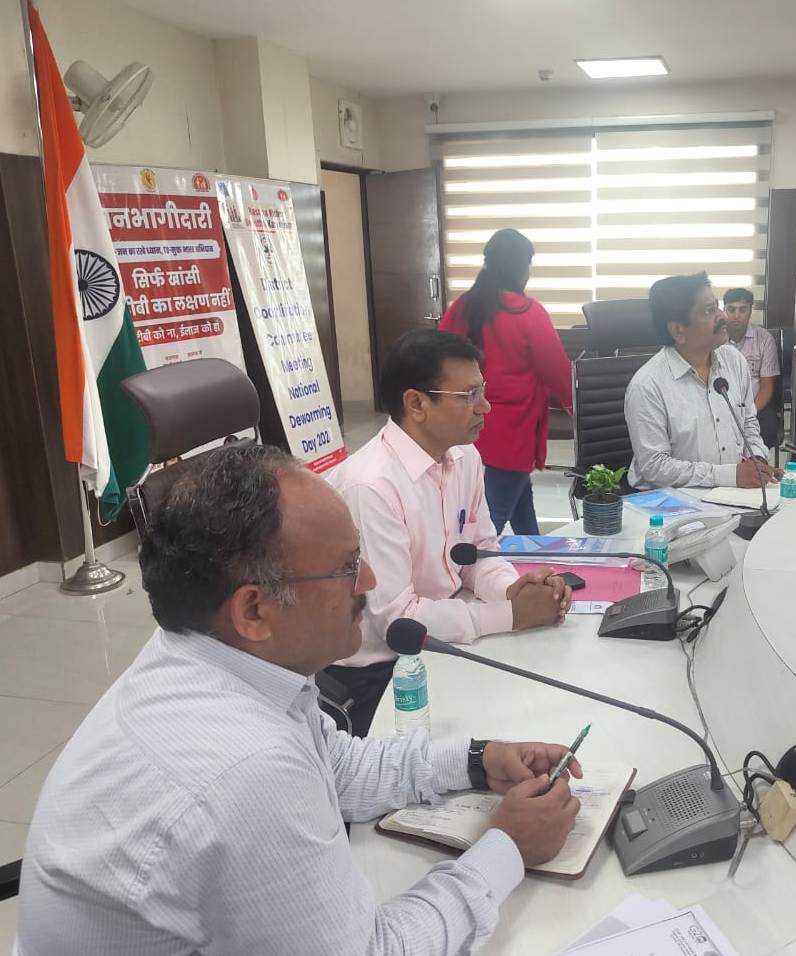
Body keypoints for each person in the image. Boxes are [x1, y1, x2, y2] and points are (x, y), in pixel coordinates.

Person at [15, 444, 582, 956]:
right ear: (254, 610)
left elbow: (335, 764)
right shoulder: (246, 768)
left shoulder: (211, 654)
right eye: (346, 568)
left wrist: (477, 760)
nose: (368, 582)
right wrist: (508, 848)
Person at [324, 329, 571, 736]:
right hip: (382, 674)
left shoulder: (465, 457)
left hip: (447, 635)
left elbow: (479, 551)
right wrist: (511, 615)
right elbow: (397, 620)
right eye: (469, 395)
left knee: (536, 713)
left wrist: (512, 591)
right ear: (416, 403)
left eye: (482, 390)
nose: (485, 407)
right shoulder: (371, 487)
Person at [440, 228, 573, 535]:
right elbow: (557, 371)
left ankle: (537, 553)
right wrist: (578, 407)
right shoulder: (527, 312)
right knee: (490, 521)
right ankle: (466, 566)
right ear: (520, 268)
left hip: (468, 425)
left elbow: (437, 358)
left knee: (521, 503)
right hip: (513, 432)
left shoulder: (464, 306)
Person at [625, 272, 780, 489]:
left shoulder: (734, 360)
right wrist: (729, 476)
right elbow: (654, 467)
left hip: (733, 494)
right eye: (709, 310)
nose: (722, 316)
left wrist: (757, 461)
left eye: (717, 306)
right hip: (673, 500)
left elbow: (748, 422)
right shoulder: (647, 385)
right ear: (678, 331)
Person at [723, 287, 782, 448]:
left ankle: (758, 461)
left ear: (750, 310)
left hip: (756, 405)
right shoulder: (715, 339)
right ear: (724, 310)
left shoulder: (764, 339)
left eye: (742, 310)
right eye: (731, 309)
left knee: (768, 429)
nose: (736, 315)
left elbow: (767, 386)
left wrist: (750, 413)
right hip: (722, 406)